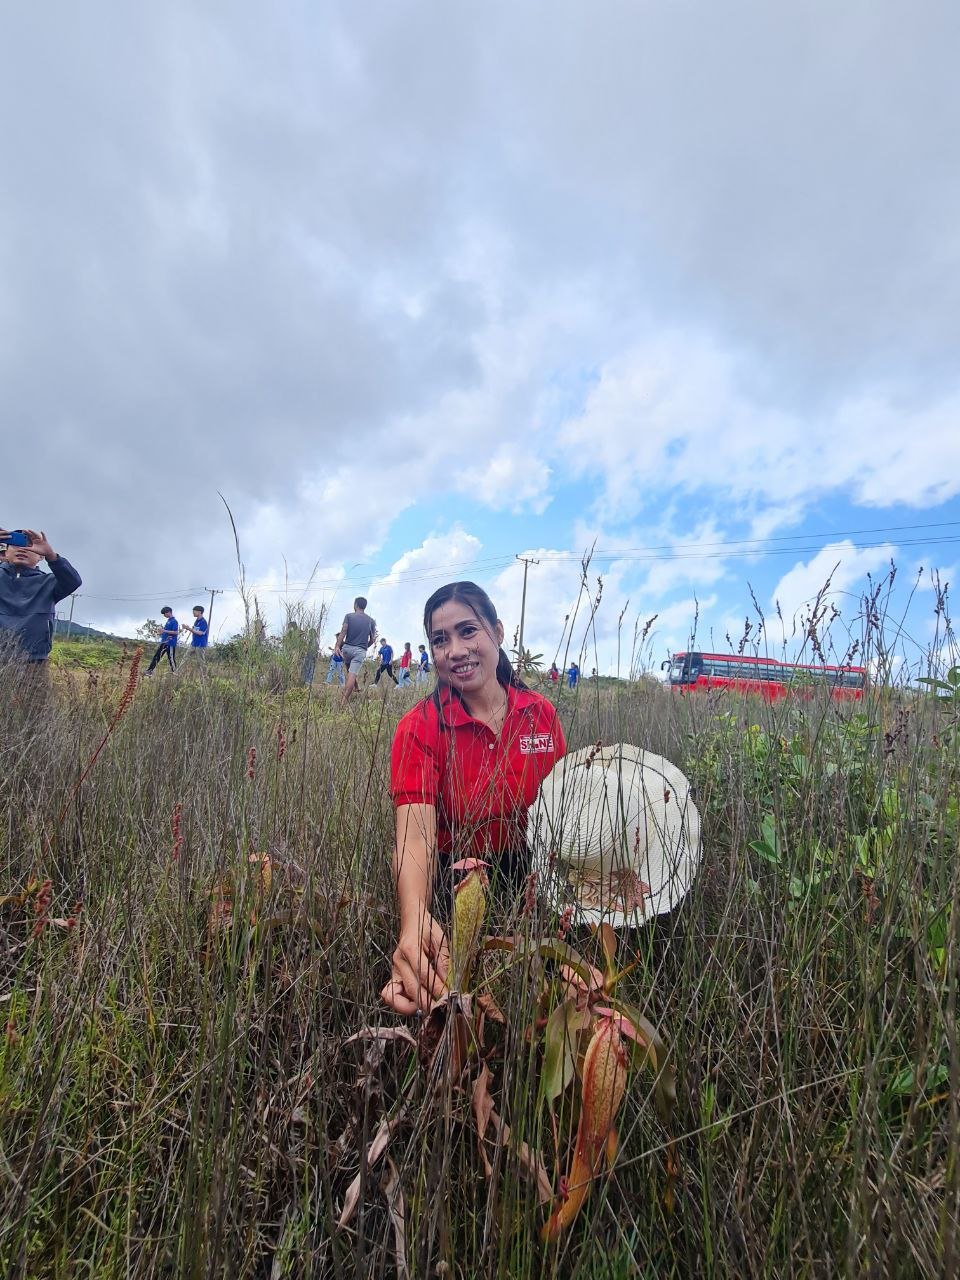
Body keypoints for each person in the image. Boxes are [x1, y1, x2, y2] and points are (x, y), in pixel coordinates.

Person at [382, 581, 566, 1014]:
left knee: (565, 983)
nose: (456, 650)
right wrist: (414, 921)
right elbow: (413, 840)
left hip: (532, 873)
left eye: (468, 631)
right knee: (431, 989)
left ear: (498, 633)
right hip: (454, 878)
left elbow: (563, 816)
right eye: (440, 640)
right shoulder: (420, 727)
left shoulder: (540, 714)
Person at [0, 528, 82, 662]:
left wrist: (51, 555)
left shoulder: (50, 582)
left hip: (34, 661)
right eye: (16, 544)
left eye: (29, 545)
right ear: (5, 552)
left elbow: (74, 581)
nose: (22, 549)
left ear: (41, 556)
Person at [333, 597, 378, 704]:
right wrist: (364, 647)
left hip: (347, 649)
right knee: (352, 674)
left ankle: (356, 688)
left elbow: (343, 631)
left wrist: (337, 646)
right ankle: (343, 703)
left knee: (349, 671)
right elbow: (372, 640)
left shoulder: (348, 616)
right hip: (360, 651)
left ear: (356, 604)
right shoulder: (371, 621)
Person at [146, 607, 179, 674]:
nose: (164, 615)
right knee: (157, 656)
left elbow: (176, 632)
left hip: (170, 643)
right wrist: (159, 632)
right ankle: (150, 670)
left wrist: (164, 630)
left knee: (171, 658)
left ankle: (175, 673)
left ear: (169, 612)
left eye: (164, 613)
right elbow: (166, 632)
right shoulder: (168, 621)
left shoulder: (174, 621)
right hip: (164, 642)